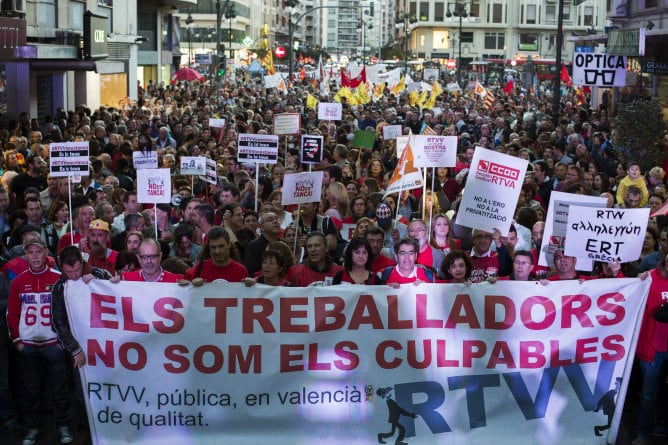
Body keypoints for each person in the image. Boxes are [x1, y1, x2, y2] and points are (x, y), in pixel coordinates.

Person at [6, 238, 74, 445]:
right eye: (30, 252)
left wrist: (63, 341)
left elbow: (69, 312)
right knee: (31, 390)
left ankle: (63, 425)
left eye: (38, 252)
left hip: (54, 345)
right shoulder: (18, 281)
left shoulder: (59, 279)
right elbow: (12, 313)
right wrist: (18, 340)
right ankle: (33, 427)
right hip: (28, 346)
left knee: (59, 389)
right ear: (25, 255)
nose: (35, 256)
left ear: (46, 253)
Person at [51, 245, 112, 440]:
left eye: (77, 270)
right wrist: (75, 349)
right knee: (81, 391)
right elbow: (58, 323)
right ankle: (85, 430)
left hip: (105, 344)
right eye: (68, 272)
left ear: (83, 262)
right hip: (79, 347)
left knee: (109, 386)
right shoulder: (60, 287)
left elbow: (119, 291)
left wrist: (99, 282)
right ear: (62, 268)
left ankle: (110, 426)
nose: (74, 275)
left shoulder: (99, 273)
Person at [634, 255, 668, 445]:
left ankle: (661, 427)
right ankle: (643, 432)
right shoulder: (647, 278)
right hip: (653, 347)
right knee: (648, 394)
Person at [244, 212, 282, 277]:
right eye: (270, 220)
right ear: (262, 227)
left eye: (277, 219)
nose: (275, 221)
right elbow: (251, 273)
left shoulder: (284, 244)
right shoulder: (254, 246)